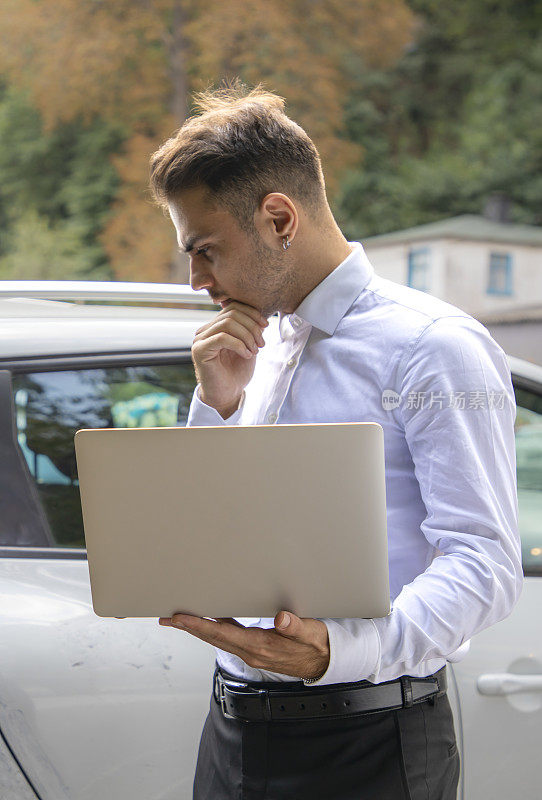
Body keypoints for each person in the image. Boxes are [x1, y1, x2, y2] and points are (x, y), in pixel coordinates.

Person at [149, 80, 522, 800]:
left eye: (204, 250)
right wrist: (216, 404)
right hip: (229, 735)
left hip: (368, 744)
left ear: (279, 218)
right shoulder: (244, 345)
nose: (195, 279)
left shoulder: (432, 348)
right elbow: (210, 534)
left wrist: (341, 652)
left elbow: (484, 562)